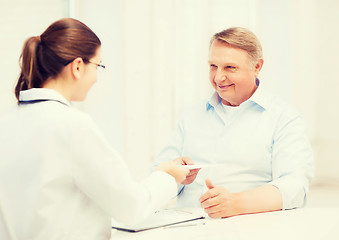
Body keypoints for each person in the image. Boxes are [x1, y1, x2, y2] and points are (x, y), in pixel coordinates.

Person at [0, 18, 189, 240]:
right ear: (78, 66)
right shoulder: (72, 125)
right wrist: (167, 176)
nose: (97, 78)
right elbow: (131, 207)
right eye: (98, 66)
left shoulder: (7, 121)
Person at [153, 27, 314, 218]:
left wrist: (236, 203)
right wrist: (176, 175)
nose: (218, 77)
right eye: (213, 66)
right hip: (185, 226)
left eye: (230, 67)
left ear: (257, 67)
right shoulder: (191, 115)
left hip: (250, 228)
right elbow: (158, 177)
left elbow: (295, 187)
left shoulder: (284, 118)